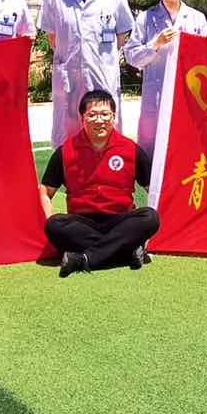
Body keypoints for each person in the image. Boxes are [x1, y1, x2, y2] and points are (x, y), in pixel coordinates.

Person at [39, 89, 160, 277]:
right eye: (92, 115)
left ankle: (83, 259)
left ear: (114, 117)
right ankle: (125, 252)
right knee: (54, 225)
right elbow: (45, 191)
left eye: (105, 114)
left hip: (121, 221)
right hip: (82, 224)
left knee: (150, 217)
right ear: (82, 118)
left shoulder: (131, 149)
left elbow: (154, 189)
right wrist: (48, 217)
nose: (99, 120)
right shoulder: (65, 151)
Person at [39, 0, 134, 146]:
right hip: (68, 79)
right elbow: (53, 39)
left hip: (103, 76)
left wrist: (98, 58)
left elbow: (121, 37)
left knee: (106, 137)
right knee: (69, 139)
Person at [123, 0, 207, 158]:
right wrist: (155, 44)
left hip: (187, 97)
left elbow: (206, 58)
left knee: (186, 153)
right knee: (152, 154)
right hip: (156, 97)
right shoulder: (145, 18)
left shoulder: (197, 18)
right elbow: (131, 56)